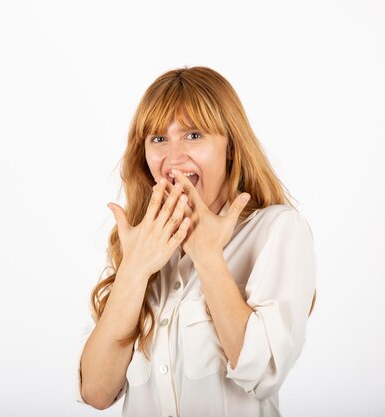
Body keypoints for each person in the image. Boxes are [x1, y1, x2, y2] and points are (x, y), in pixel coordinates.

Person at [73, 66, 317, 417]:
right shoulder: (137, 246)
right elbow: (96, 391)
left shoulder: (278, 230)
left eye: (193, 135)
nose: (173, 157)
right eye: (158, 139)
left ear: (231, 146)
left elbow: (264, 374)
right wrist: (134, 271)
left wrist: (208, 258)